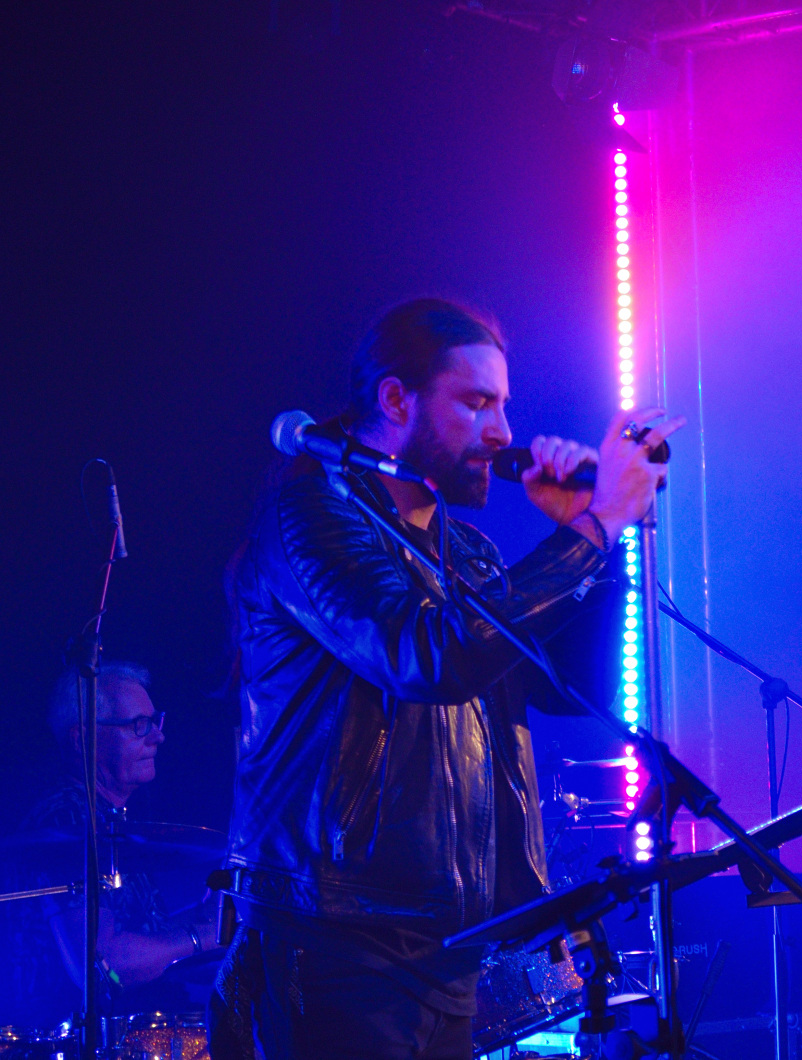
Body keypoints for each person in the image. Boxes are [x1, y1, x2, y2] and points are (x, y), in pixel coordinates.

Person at [211, 298, 681, 1060]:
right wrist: (593, 530)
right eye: (476, 403)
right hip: (334, 947)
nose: (502, 431)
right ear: (397, 400)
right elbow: (424, 655)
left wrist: (590, 540)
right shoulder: (311, 517)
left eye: (504, 406)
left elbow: (571, 687)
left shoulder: (467, 555)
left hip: (446, 957)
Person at [0, 662, 221, 1028]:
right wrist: (204, 937)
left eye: (155, 721)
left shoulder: (105, 819)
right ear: (82, 739)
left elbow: (138, 936)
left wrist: (204, 917)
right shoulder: (67, 819)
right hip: (72, 1039)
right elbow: (104, 966)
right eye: (139, 724)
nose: (157, 737)